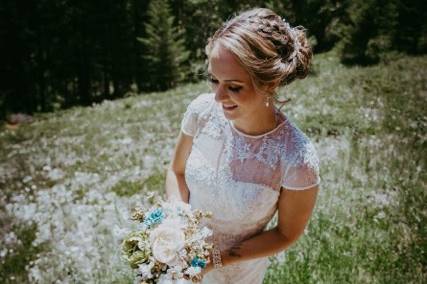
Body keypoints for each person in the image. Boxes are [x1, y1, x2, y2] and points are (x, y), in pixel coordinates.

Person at [166, 7, 320, 284]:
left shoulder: (296, 158)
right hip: (178, 258)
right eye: (214, 80)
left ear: (270, 82)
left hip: (236, 271)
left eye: (234, 87)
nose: (218, 97)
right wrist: (176, 228)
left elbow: (286, 233)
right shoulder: (200, 112)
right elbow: (176, 172)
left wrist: (213, 261)